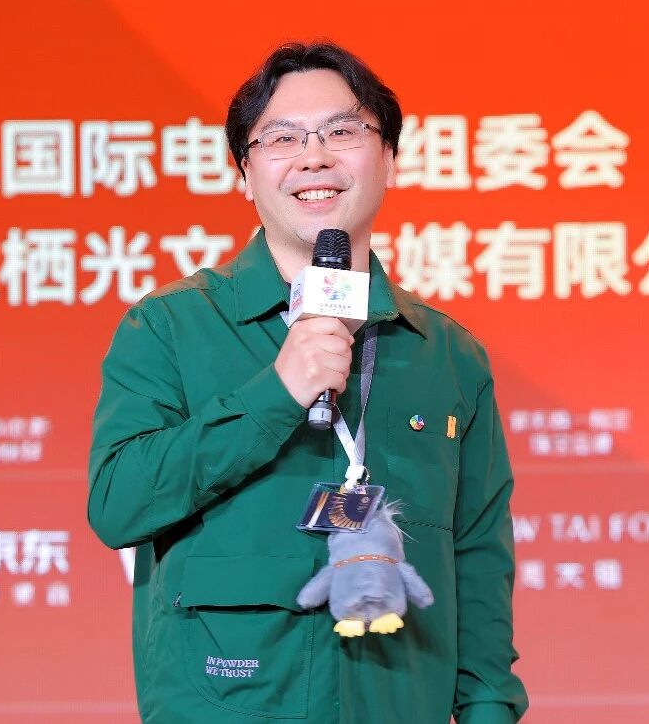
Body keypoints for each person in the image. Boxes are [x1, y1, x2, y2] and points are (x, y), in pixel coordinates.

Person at [88, 42, 527, 723]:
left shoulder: (447, 355)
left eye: (342, 131)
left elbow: (477, 560)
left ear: (389, 159)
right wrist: (276, 393)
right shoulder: (170, 326)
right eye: (283, 138)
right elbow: (117, 504)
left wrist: (488, 710)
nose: (314, 157)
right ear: (245, 173)